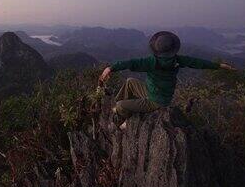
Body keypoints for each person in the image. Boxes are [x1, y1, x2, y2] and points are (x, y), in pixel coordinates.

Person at [98, 31, 236, 127]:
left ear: (156, 50)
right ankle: (116, 109)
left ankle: (123, 122)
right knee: (130, 82)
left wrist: (110, 68)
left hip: (156, 102)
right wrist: (219, 65)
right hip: (153, 92)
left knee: (122, 104)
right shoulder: (178, 60)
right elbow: (197, 62)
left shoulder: (151, 62)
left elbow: (131, 63)